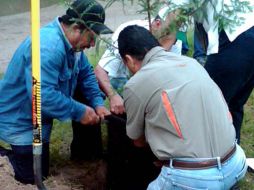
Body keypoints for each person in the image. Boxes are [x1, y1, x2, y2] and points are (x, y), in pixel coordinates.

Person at [118, 24, 248, 190]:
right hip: (236, 162)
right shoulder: (192, 63)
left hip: (196, 179)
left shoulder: (136, 84)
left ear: (128, 59)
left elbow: (138, 141)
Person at [0, 0, 111, 184]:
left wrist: (98, 103)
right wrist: (80, 111)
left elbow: (86, 74)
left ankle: (86, 157)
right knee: (30, 178)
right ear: (77, 27)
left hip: (39, 117)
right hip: (19, 119)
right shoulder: (49, 47)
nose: (92, 44)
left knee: (40, 171)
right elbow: (42, 96)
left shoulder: (72, 45)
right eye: (91, 37)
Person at [93, 11, 183, 190]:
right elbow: (100, 71)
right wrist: (113, 95)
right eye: (164, 43)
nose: (165, 50)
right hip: (120, 84)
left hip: (146, 92)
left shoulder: (175, 42)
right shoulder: (128, 35)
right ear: (156, 25)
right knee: (122, 134)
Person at [166, 0, 254, 143]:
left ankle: (206, 159)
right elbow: (179, 24)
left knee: (205, 105)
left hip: (236, 37)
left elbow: (174, 15)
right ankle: (233, 157)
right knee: (232, 104)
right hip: (247, 29)